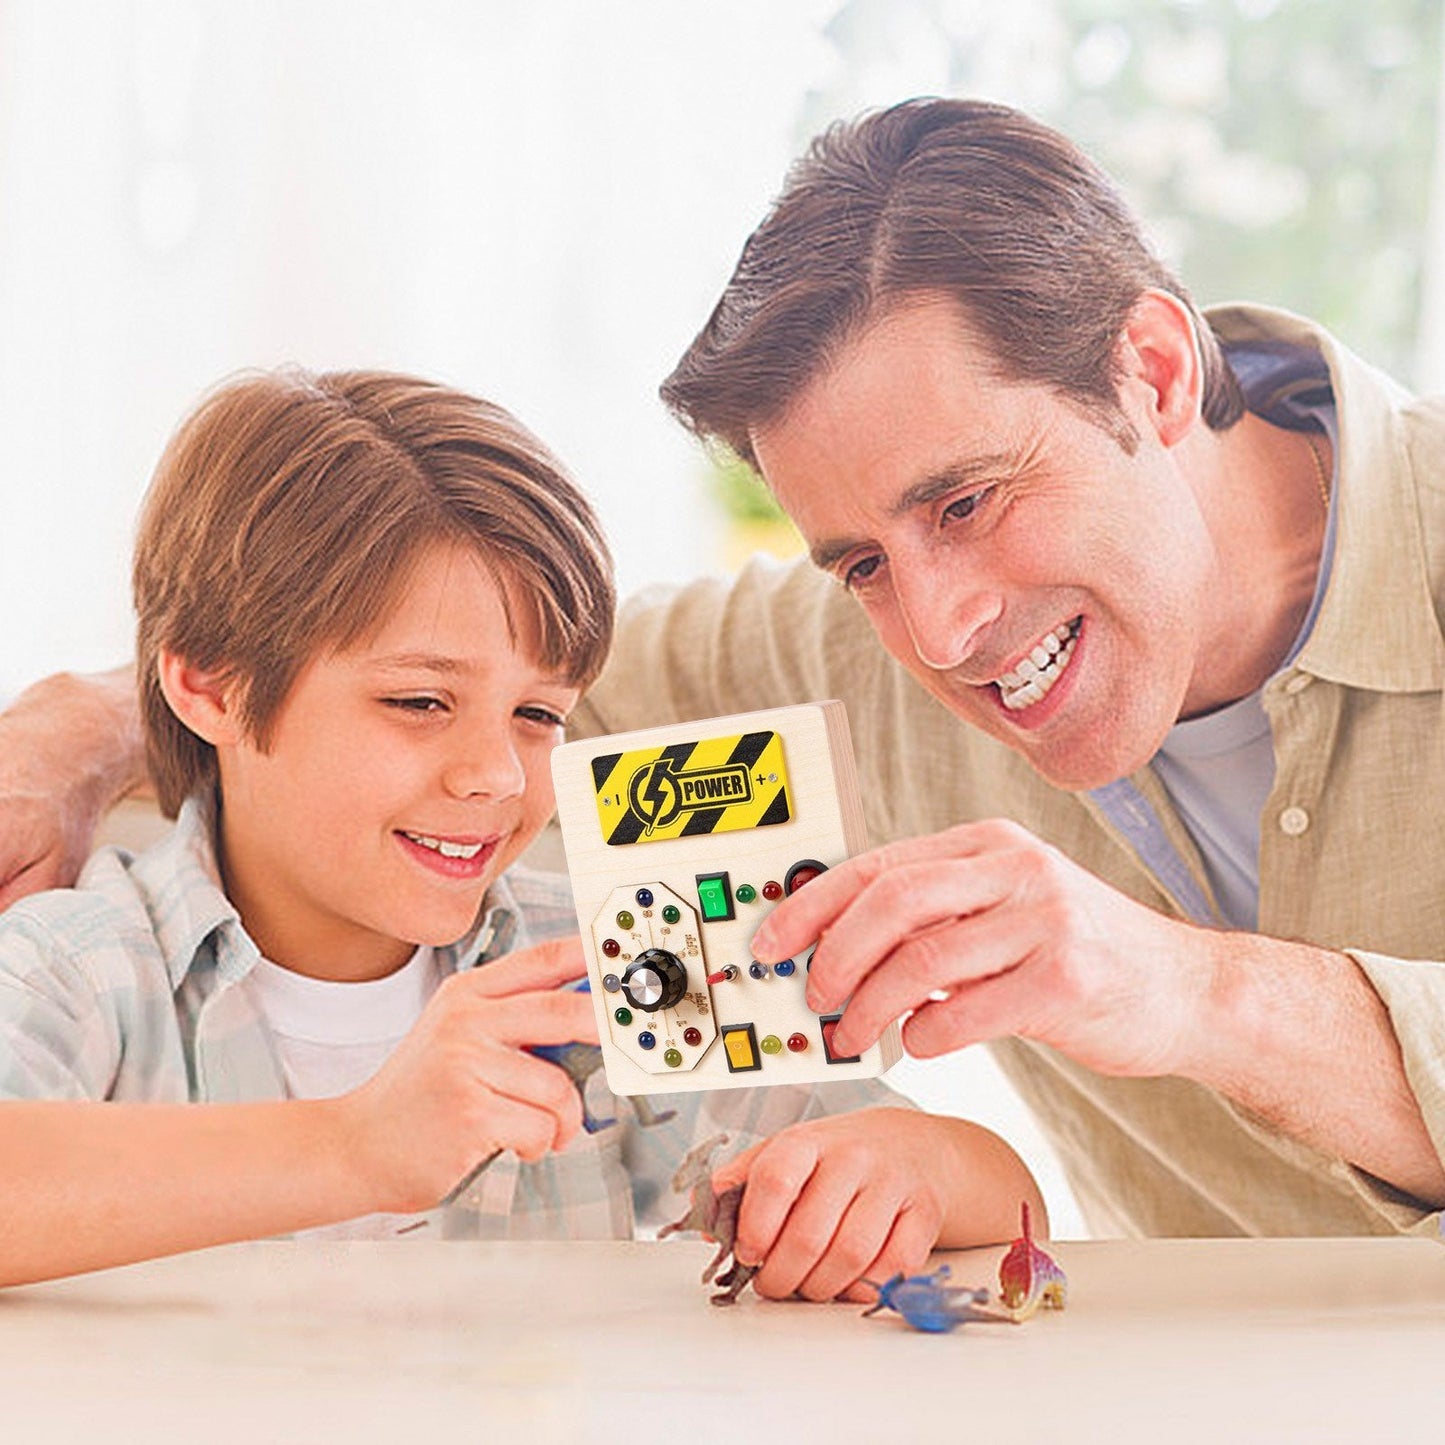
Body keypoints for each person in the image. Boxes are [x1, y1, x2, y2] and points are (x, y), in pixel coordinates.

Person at [5, 95, 1441, 1242]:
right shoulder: (823, 671)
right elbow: (428, 678)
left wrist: (1186, 991)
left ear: (1154, 370)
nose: (936, 635)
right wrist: (86, 730)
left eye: (967, 501)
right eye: (862, 562)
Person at [0, 367, 1043, 1290]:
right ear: (205, 683)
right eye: (417, 701)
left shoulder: (608, 961)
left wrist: (906, 1164)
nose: (495, 775)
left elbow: (999, 1199)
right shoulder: (79, 966)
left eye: (539, 713)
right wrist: (359, 1145)